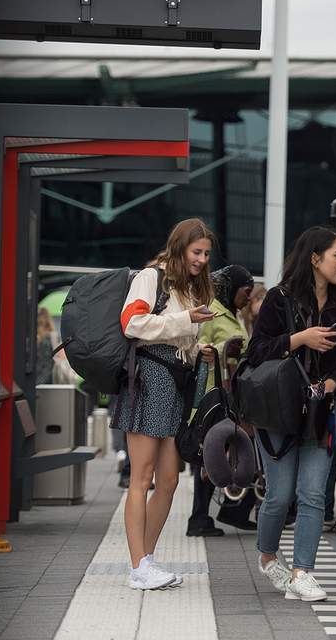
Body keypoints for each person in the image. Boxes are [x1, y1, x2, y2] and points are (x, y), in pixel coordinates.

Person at [246, 227, 336, 602]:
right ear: (315, 258)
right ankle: (266, 556)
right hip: (279, 410)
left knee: (312, 494)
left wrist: (329, 385)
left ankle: (302, 573)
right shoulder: (279, 299)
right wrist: (300, 339)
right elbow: (256, 353)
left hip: (321, 411)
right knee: (279, 496)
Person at [112, 218, 218, 591]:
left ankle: (148, 560)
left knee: (170, 480)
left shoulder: (189, 287)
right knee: (141, 478)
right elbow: (132, 323)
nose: (203, 259)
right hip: (149, 377)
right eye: (197, 252)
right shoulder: (150, 277)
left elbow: (176, 335)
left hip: (173, 382)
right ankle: (139, 564)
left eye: (206, 253)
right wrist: (185, 319)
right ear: (179, 248)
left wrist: (197, 350)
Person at [187, 265, 258, 536]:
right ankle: (199, 518)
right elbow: (197, 349)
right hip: (213, 394)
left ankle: (231, 510)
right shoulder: (212, 313)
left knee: (225, 451)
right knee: (211, 454)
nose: (249, 298)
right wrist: (224, 349)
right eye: (246, 291)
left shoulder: (231, 314)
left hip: (232, 394)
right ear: (232, 289)